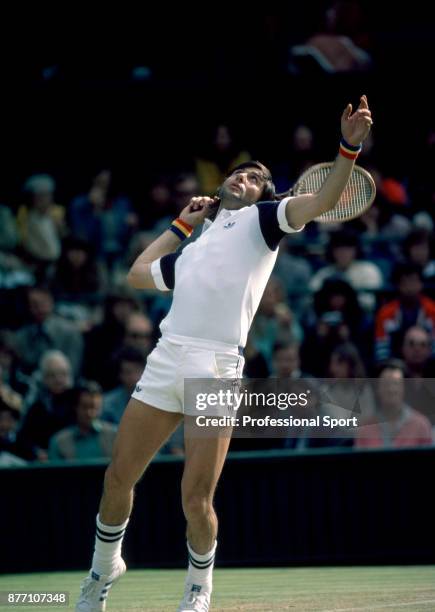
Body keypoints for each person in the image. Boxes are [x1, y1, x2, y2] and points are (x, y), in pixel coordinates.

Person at [75, 96, 373, 612]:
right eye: (238, 174)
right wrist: (180, 226)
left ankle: (198, 589)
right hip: (167, 359)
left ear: (265, 192)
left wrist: (347, 146)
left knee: (196, 499)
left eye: (255, 176)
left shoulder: (266, 221)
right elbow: (137, 273)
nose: (244, 179)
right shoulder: (192, 249)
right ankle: (103, 570)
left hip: (216, 369)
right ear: (220, 185)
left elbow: (322, 200)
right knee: (117, 477)